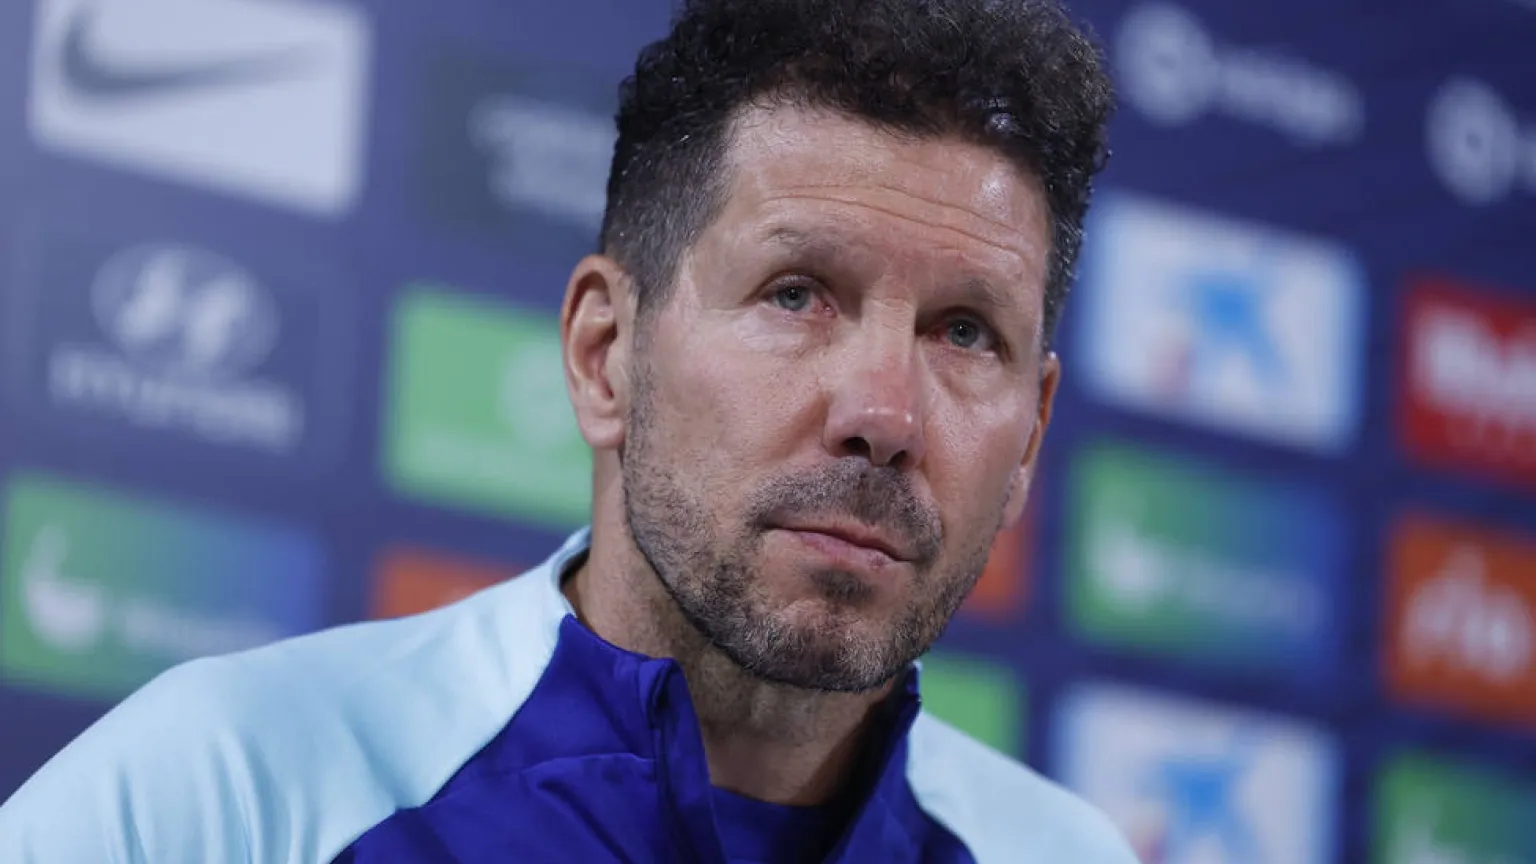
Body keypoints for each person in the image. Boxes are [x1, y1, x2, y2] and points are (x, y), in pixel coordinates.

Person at [0, 0, 1134, 860]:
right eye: (796, 295)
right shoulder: (229, 794)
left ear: (1030, 440)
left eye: (965, 332)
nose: (885, 415)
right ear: (606, 353)